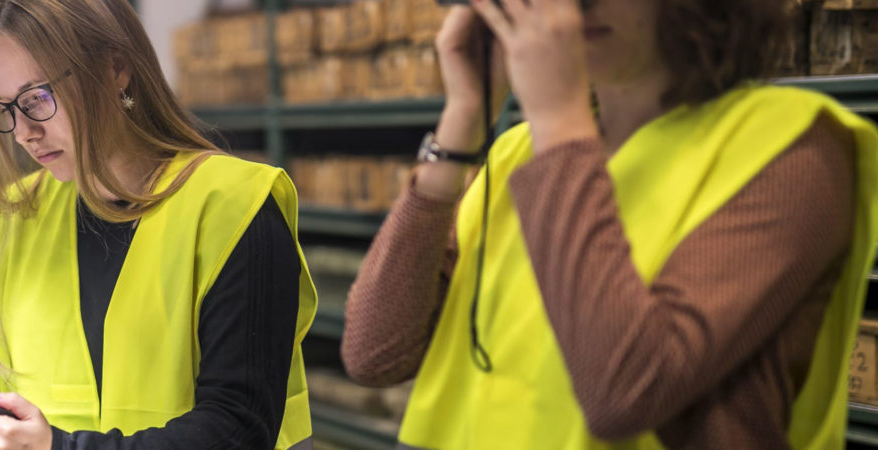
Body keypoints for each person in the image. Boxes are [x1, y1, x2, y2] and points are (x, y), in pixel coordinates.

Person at [342, 0, 878, 448]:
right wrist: (463, 117)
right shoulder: (518, 154)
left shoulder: (789, 152)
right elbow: (374, 352)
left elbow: (626, 391)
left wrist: (556, 117)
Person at [0, 1, 318, 449]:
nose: (25, 132)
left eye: (37, 98)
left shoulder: (235, 207)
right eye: (5, 109)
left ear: (116, 69)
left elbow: (238, 428)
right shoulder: (18, 215)